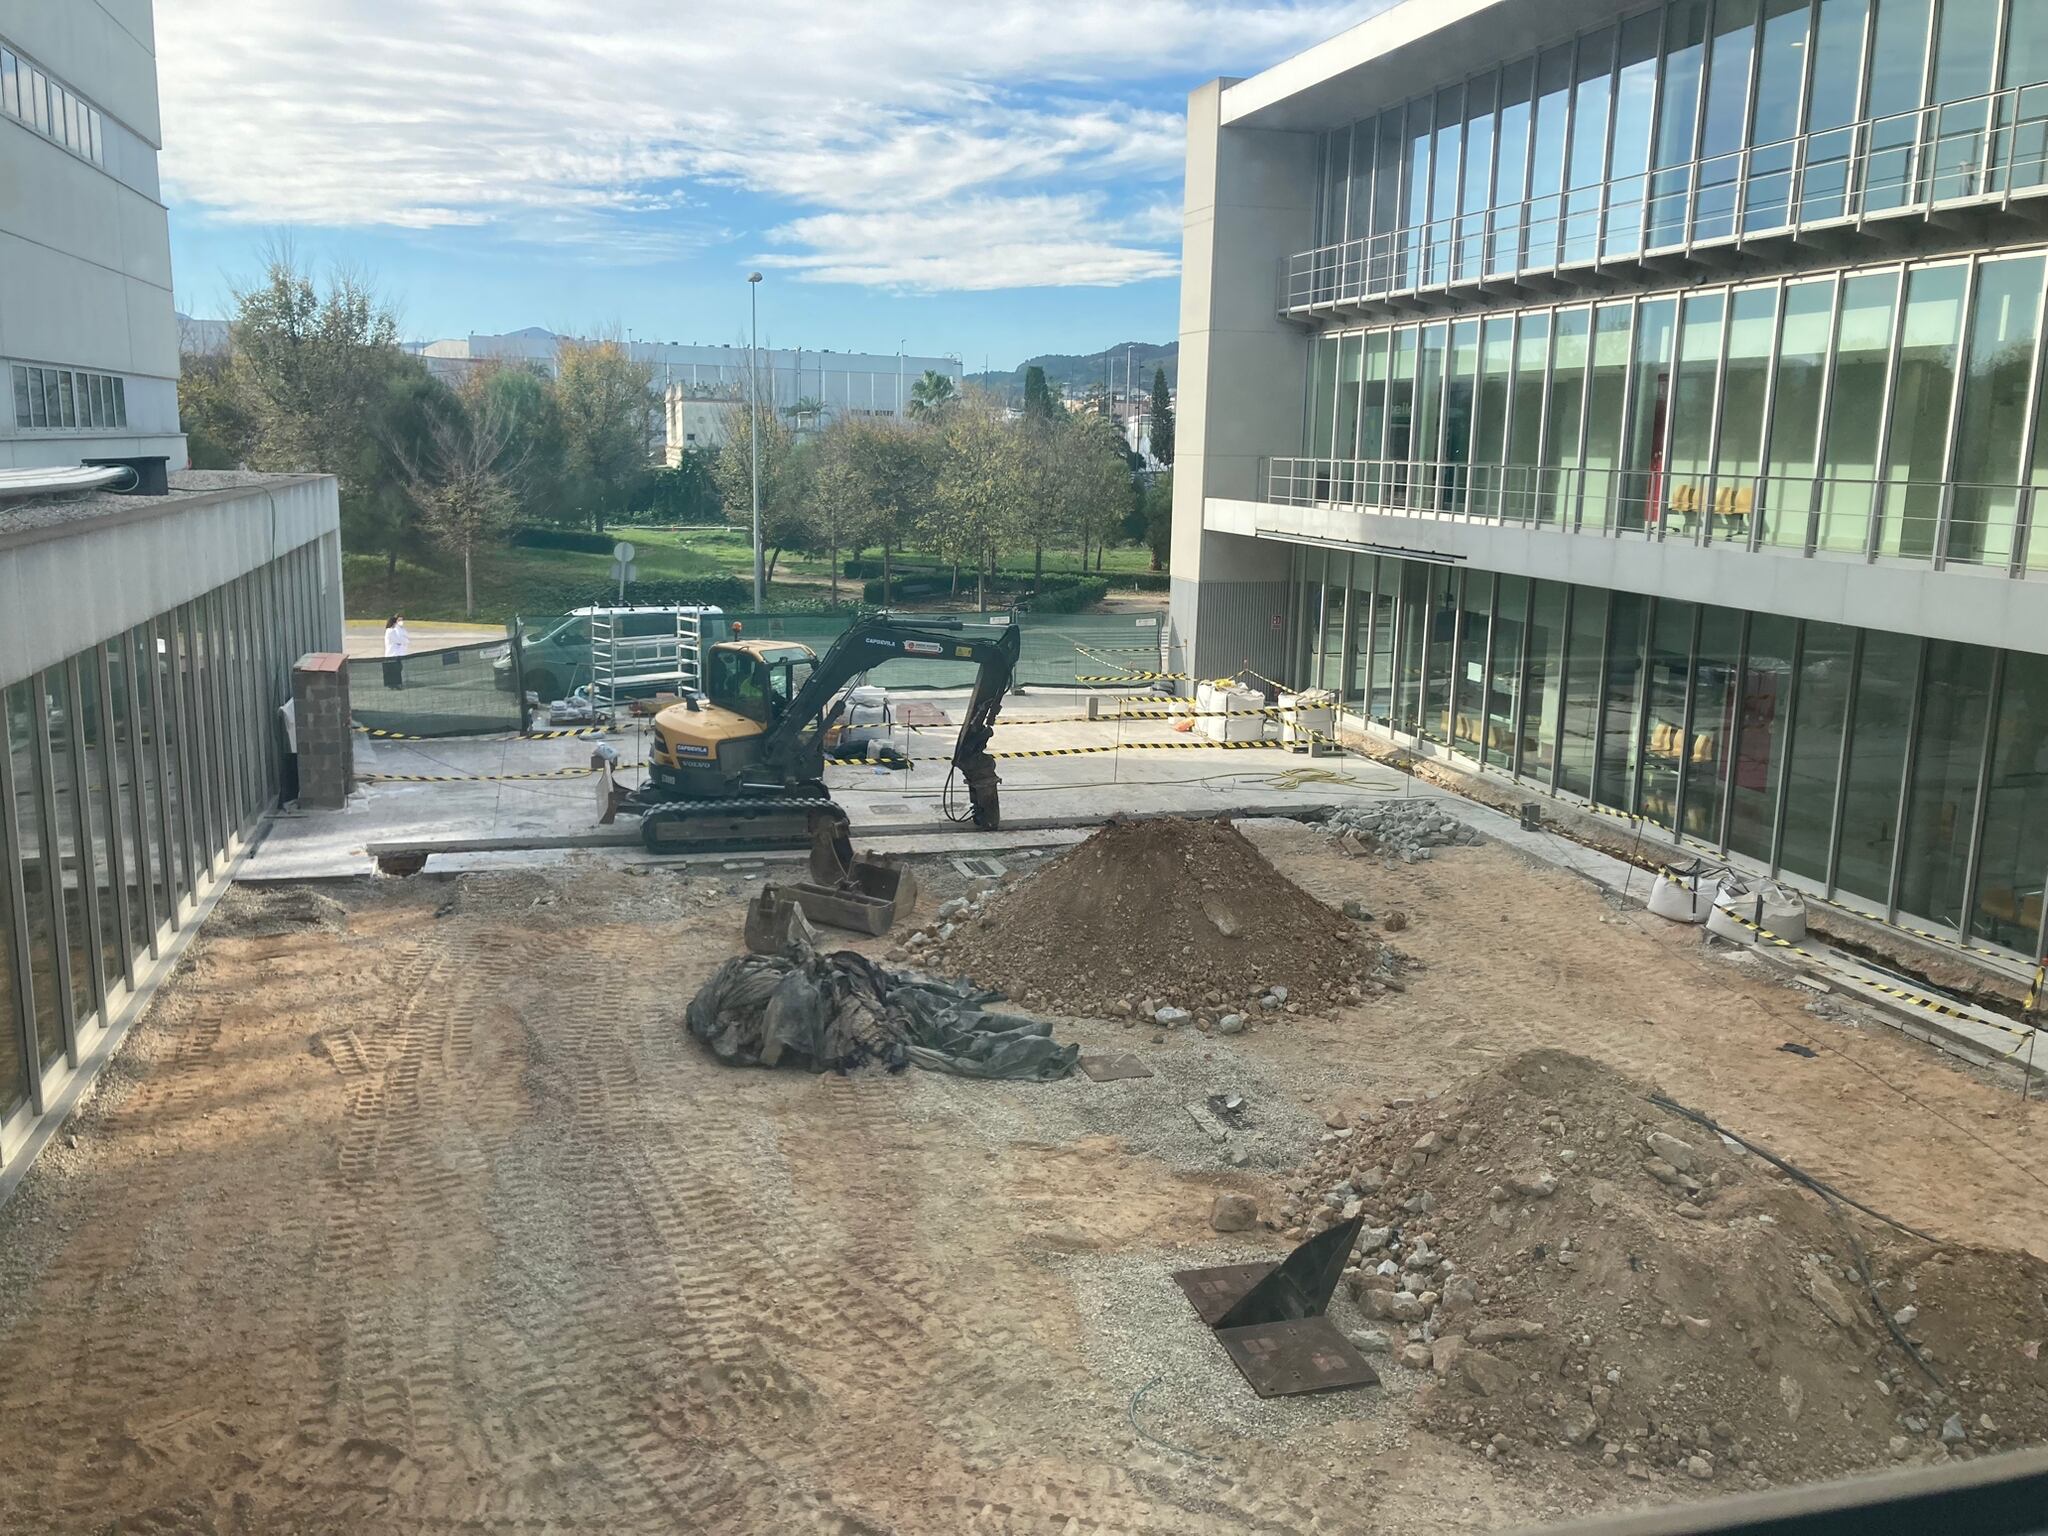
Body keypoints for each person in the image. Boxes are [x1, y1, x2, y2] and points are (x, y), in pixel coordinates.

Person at [382, 614, 408, 689]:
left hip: (393, 653)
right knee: (396, 668)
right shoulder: (391, 631)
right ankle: (394, 684)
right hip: (393, 653)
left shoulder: (390, 631)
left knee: (396, 668)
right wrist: (403, 641)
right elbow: (398, 640)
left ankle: (394, 684)